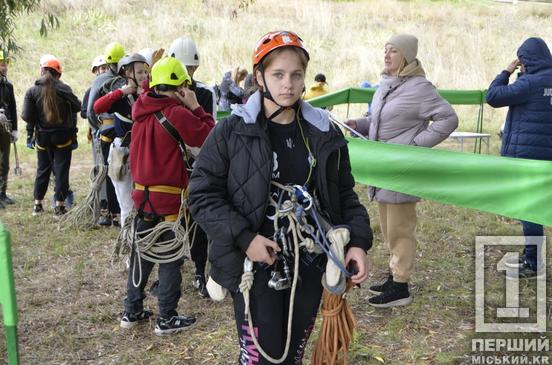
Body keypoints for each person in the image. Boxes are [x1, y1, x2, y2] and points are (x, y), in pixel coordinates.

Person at [189, 31, 372, 364]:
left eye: (296, 75)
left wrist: (357, 241)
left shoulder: (324, 133)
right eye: (278, 74)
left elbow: (344, 193)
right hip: (254, 265)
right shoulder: (231, 132)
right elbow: (201, 195)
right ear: (259, 77)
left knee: (291, 355)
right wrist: (245, 238)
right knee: (260, 357)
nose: (288, 84)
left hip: (310, 262)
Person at [345, 34, 458, 308]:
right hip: (383, 168)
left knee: (401, 229)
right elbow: (377, 120)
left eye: (393, 51)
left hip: (402, 170)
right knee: (388, 227)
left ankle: (401, 286)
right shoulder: (386, 83)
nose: (386, 55)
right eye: (385, 50)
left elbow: (449, 118)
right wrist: (358, 124)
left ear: (406, 56)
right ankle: (395, 275)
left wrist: (416, 146)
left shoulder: (420, 88)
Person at [120, 56, 214, 335]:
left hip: (142, 197)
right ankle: (167, 317)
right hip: (168, 199)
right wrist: (196, 107)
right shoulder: (176, 113)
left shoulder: (141, 110)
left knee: (143, 253)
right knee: (170, 256)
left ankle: (132, 310)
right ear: (180, 86)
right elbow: (210, 138)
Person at [486, 37, 552, 279]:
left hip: (527, 158)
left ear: (524, 60)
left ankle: (533, 262)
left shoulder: (529, 84)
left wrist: (506, 71)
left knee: (530, 209)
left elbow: (493, 96)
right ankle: (531, 256)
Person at [168, 35, 216, 297]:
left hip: (196, 166)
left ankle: (200, 271)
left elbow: (209, 133)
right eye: (184, 69)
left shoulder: (205, 93)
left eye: (191, 69)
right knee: (170, 223)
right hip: (170, 168)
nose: (187, 74)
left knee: (197, 221)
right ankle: (170, 274)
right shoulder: (161, 94)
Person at [21, 56, 81, 217]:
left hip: (42, 137)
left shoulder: (32, 91)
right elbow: (78, 106)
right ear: (58, 75)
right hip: (63, 138)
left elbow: (26, 116)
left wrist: (34, 127)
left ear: (42, 71)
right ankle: (59, 207)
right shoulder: (64, 89)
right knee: (61, 171)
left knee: (42, 170)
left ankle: (37, 206)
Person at [93, 53, 149, 226]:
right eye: (139, 72)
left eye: (146, 72)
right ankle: (127, 241)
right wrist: (122, 91)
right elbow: (97, 107)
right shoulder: (121, 96)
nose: (144, 76)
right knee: (126, 204)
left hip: (144, 152)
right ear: (127, 73)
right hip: (122, 152)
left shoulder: (149, 95)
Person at [87, 42, 126, 226]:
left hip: (107, 131)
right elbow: (90, 110)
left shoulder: (102, 80)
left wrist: (97, 126)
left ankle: (111, 212)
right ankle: (114, 212)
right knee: (116, 171)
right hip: (116, 131)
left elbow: (90, 111)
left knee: (110, 171)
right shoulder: (123, 79)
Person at [0, 50, 18, 208]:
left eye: (5, 64)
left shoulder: (8, 85)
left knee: (4, 161)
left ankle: (2, 193)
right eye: (1, 64)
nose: (4, 67)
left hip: (5, 128)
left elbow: (12, 107)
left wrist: (15, 130)